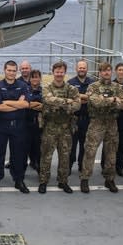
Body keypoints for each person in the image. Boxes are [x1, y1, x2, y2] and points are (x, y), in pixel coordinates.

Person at [79, 62, 123, 193]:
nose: (106, 73)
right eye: (103, 71)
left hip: (112, 123)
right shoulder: (93, 87)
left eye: (108, 70)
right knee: (90, 151)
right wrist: (113, 100)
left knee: (111, 153)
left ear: (111, 72)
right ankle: (85, 179)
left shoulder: (118, 87)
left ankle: (109, 179)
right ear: (99, 72)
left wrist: (107, 100)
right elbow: (95, 102)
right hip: (97, 123)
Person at [38, 61, 80, 194]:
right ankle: (43, 181)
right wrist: (67, 101)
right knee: (46, 156)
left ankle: (63, 181)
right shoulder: (47, 88)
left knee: (65, 157)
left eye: (62, 72)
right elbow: (48, 100)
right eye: (57, 72)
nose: (59, 74)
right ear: (53, 72)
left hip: (65, 128)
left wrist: (60, 103)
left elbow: (77, 105)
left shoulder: (71, 89)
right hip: (50, 127)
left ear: (65, 73)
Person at [0, 60, 30, 194]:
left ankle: (18, 180)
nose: (11, 73)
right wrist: (17, 103)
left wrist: (7, 102)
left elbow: (25, 105)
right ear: (4, 70)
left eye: (14, 71)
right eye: (9, 70)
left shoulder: (23, 86)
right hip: (0, 126)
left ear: (16, 71)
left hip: (18, 126)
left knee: (18, 154)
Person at [102, 62, 123, 177]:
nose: (121, 72)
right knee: (108, 143)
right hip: (111, 117)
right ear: (115, 71)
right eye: (119, 70)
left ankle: (119, 167)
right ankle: (104, 166)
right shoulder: (111, 84)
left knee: (121, 144)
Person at [68, 59, 94, 174]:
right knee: (71, 145)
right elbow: (69, 99)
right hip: (74, 119)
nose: (82, 69)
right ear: (76, 69)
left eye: (84, 67)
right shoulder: (70, 82)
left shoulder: (92, 83)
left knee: (85, 145)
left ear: (87, 69)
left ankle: (81, 166)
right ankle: (68, 166)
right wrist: (84, 98)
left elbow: (93, 99)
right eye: (80, 67)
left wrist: (77, 98)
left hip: (87, 119)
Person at [24, 69, 43, 174]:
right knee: (24, 149)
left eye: (37, 77)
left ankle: (40, 171)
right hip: (26, 123)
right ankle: (21, 173)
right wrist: (37, 105)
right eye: (33, 77)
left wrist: (31, 104)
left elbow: (46, 106)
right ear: (30, 79)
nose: (35, 79)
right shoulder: (24, 90)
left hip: (39, 124)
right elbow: (24, 104)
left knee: (39, 149)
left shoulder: (44, 91)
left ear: (40, 78)